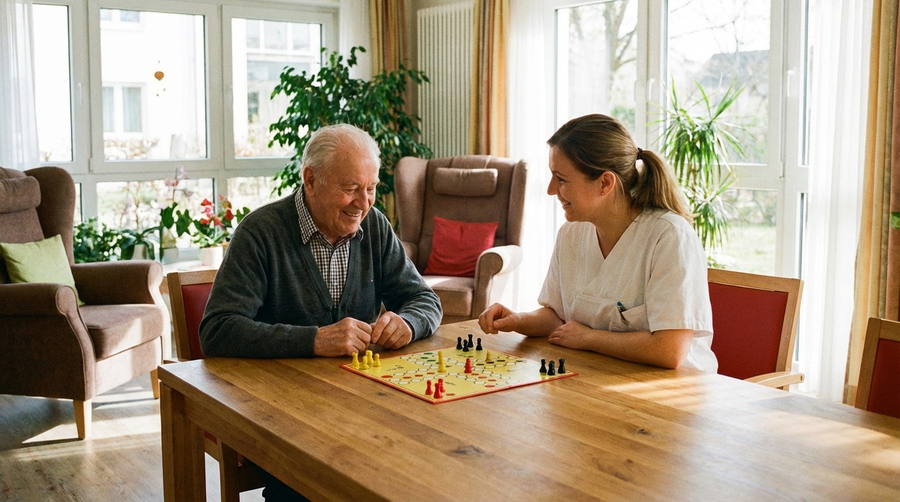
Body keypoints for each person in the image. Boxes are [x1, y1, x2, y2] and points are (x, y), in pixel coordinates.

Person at [199, 123, 443, 501]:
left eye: (371, 188)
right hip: (284, 412)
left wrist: (408, 323)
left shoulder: (375, 226)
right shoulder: (259, 233)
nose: (363, 203)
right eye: (351, 188)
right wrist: (313, 340)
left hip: (359, 407)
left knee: (414, 467)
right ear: (311, 180)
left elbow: (424, 300)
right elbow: (218, 330)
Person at [479, 114, 717, 372]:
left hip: (673, 389)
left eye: (561, 179)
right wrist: (518, 320)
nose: (550, 189)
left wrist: (589, 338)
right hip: (599, 374)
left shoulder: (669, 236)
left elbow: (669, 350)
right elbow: (557, 317)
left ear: (605, 183)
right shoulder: (571, 233)